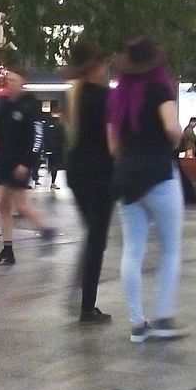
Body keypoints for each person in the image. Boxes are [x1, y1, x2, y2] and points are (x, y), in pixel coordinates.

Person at [107, 37, 186, 343]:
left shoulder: (118, 97)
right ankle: (164, 318)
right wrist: (174, 142)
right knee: (170, 248)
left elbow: (113, 145)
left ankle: (137, 324)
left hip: (127, 176)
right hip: (159, 175)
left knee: (133, 250)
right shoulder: (160, 89)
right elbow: (171, 128)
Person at [65, 39, 114, 323]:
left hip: (76, 171)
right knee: (97, 239)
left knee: (92, 236)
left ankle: (79, 293)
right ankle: (87, 306)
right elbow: (111, 142)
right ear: (95, 66)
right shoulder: (104, 97)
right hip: (99, 174)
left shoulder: (73, 95)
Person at [0, 68, 55, 264]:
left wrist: (27, 163)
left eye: (13, 79)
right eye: (7, 79)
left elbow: (38, 137)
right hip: (4, 163)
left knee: (20, 204)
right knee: (2, 204)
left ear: (22, 82)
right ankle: (7, 250)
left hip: (20, 164)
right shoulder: (4, 106)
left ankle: (45, 230)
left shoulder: (30, 106)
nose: (9, 82)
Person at [43, 111, 66, 190]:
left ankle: (48, 175)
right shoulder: (60, 126)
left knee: (49, 163)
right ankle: (52, 182)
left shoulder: (45, 125)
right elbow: (63, 137)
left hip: (48, 148)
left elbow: (44, 137)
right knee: (55, 165)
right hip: (57, 149)